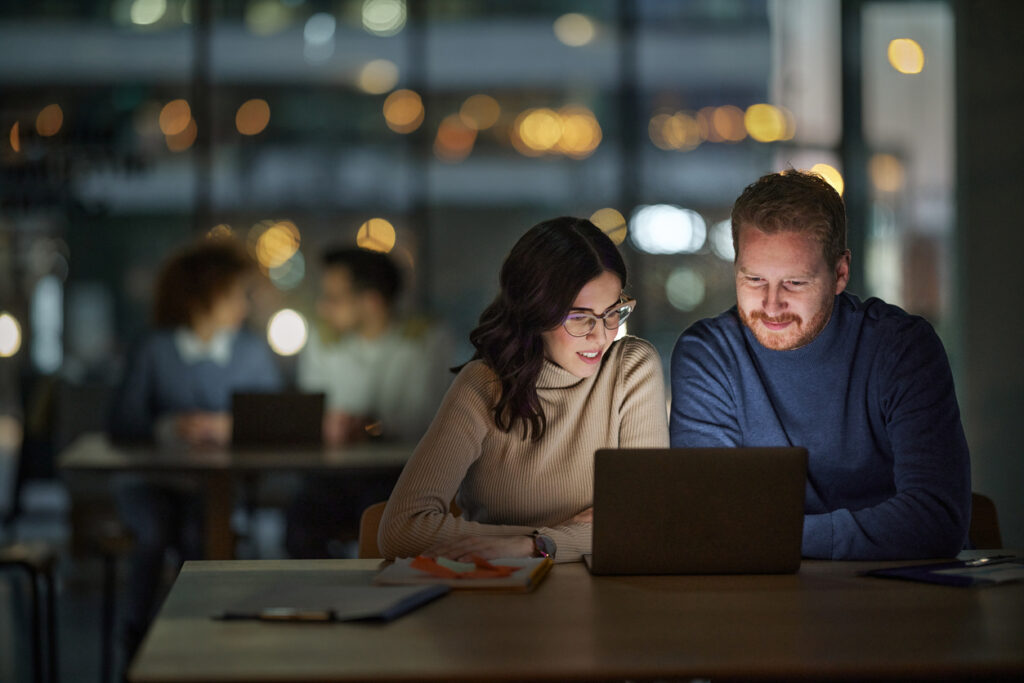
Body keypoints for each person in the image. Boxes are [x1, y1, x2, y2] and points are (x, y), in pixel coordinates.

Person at [670, 170, 970, 561]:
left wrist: (773, 536)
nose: (771, 305)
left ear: (840, 274)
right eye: (755, 279)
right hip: (764, 601)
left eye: (795, 283)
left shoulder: (901, 349)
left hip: (903, 597)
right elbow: (709, 521)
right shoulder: (709, 356)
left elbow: (936, 520)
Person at [378, 216, 669, 563]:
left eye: (612, 313)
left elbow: (644, 522)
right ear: (536, 310)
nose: (601, 335)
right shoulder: (483, 385)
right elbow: (400, 530)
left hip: (603, 595)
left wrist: (537, 544)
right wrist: (548, 539)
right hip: (498, 594)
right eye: (579, 317)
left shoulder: (631, 367)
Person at [108, 237, 282, 659]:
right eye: (237, 293)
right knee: (152, 535)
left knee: (201, 537)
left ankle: (203, 645)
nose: (245, 303)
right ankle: (137, 642)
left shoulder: (250, 351)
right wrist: (170, 427)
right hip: (150, 481)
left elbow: (277, 419)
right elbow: (122, 422)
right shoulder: (155, 348)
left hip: (213, 488)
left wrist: (227, 426)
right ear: (203, 295)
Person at [285, 247, 452, 558]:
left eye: (334, 298)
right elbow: (312, 414)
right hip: (334, 475)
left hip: (401, 476)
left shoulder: (424, 341)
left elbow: (426, 419)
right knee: (298, 528)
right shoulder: (323, 341)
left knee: (384, 524)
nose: (323, 308)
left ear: (372, 301)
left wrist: (369, 427)